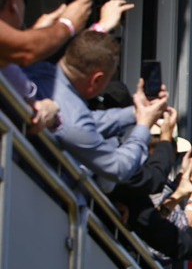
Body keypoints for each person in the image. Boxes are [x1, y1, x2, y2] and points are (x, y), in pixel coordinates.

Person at [25, 31, 167, 189]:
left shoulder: (40, 70)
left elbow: (88, 119)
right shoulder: (74, 122)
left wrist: (137, 112)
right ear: (97, 79)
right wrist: (143, 126)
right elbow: (118, 168)